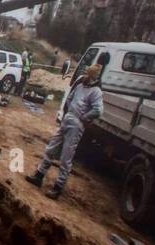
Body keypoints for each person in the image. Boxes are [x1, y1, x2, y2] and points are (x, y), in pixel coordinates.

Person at [25, 63, 104, 199]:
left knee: (66, 157)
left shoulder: (96, 91)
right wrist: (67, 113)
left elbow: (98, 110)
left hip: (77, 123)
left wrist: (84, 117)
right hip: (68, 119)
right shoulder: (80, 85)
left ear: (93, 76)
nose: (86, 76)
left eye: (88, 74)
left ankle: (58, 187)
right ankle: (39, 175)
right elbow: (69, 98)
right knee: (52, 148)